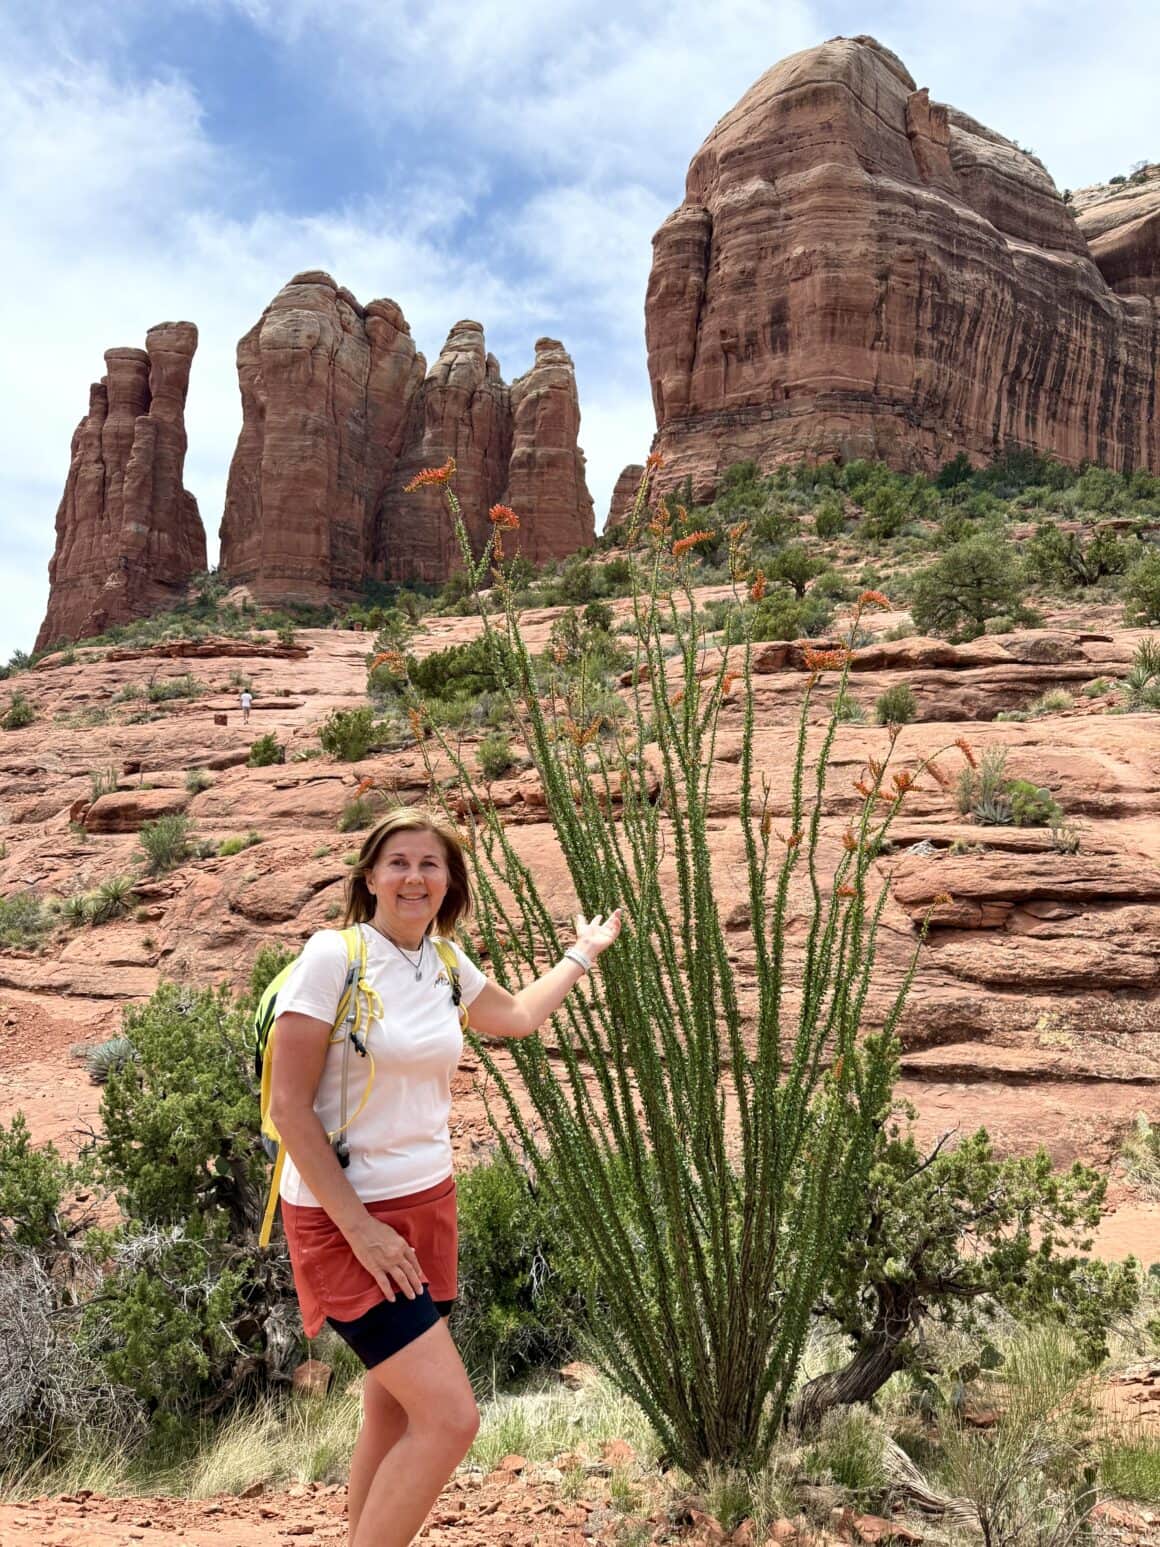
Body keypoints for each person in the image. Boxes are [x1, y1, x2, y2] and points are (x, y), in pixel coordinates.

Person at [270, 808, 621, 1547]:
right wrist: (360, 1231)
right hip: (348, 1219)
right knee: (451, 1418)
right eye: (398, 861)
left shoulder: (444, 962)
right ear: (369, 875)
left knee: (393, 1410)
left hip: (428, 1205)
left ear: (449, 883)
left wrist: (582, 953)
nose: (414, 876)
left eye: (431, 864)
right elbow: (287, 1107)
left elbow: (520, 1015)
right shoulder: (332, 956)